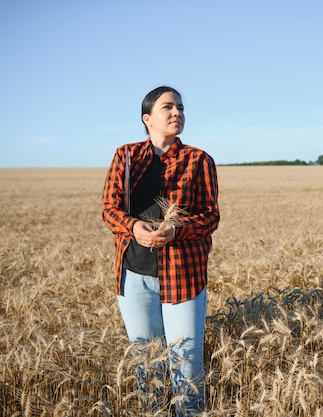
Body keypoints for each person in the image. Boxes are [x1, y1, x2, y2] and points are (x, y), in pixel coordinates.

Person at [102, 86, 220, 416]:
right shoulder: (126, 157)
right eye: (168, 107)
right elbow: (109, 209)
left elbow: (211, 216)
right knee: (147, 367)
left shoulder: (199, 160)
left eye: (180, 108)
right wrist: (133, 227)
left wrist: (175, 231)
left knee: (187, 369)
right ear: (147, 118)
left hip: (183, 276)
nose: (177, 113)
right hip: (134, 275)